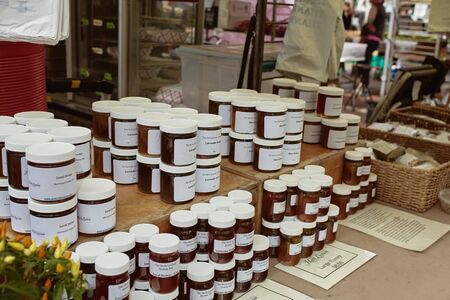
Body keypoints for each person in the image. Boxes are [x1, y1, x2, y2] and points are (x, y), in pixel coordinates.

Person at [360, 0, 386, 85]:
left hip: (370, 39)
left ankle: (363, 84)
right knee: (367, 61)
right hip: (377, 39)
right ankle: (364, 83)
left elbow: (370, 21)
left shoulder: (375, 8)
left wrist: (365, 29)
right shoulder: (383, 8)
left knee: (364, 62)